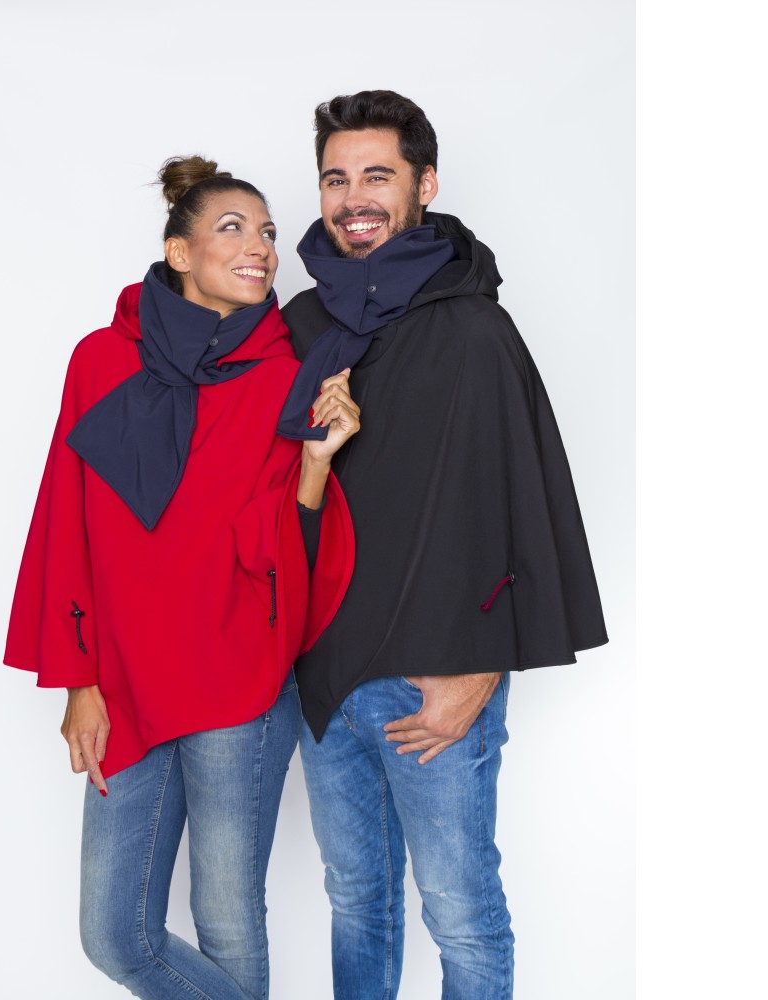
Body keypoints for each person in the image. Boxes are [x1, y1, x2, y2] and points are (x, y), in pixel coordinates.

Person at [276, 91, 608, 1000]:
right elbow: (269, 502)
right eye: (336, 179)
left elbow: (524, 498)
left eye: (377, 176)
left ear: (424, 184)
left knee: (460, 911)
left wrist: (482, 666)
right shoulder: (300, 327)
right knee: (356, 901)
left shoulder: (474, 329)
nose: (354, 199)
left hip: (436, 679)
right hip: (324, 674)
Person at [4, 155, 361, 1000]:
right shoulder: (101, 361)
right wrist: (80, 681)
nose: (260, 247)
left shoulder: (287, 376)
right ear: (178, 251)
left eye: (268, 232)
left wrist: (316, 464)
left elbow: (284, 554)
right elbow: (67, 524)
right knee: (114, 935)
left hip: (241, 683)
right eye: (233, 229)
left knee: (228, 924)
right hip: (127, 685)